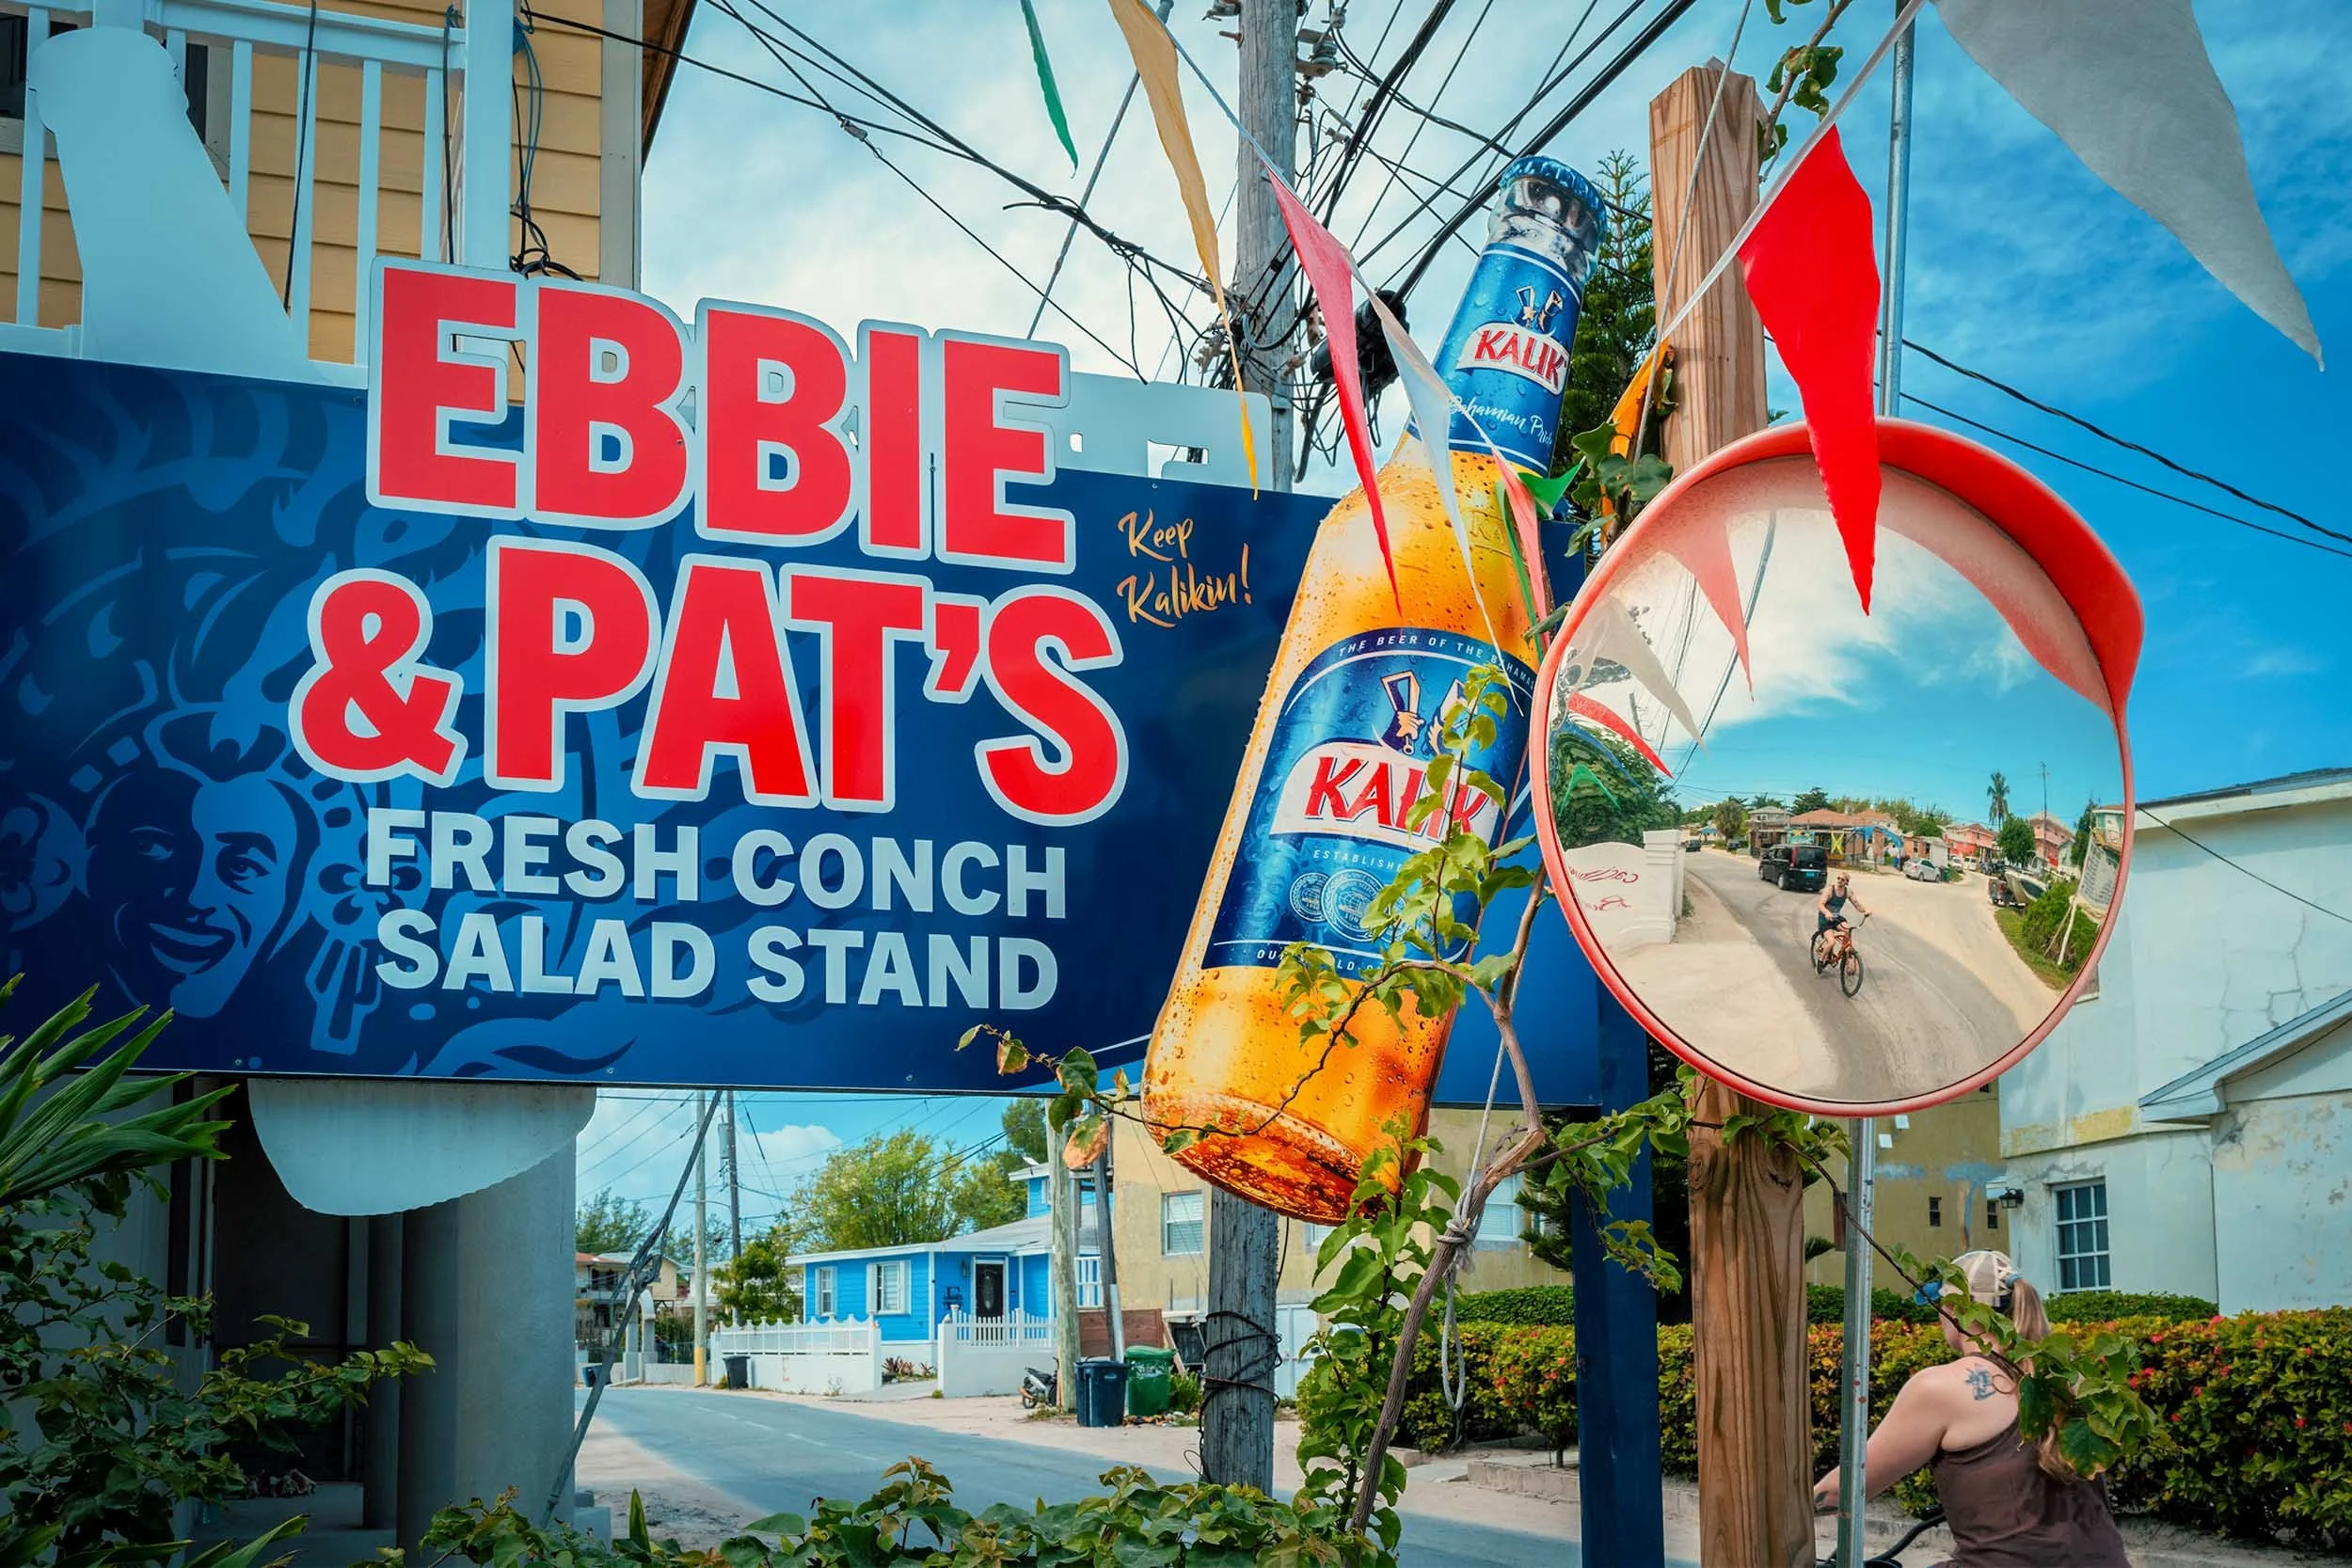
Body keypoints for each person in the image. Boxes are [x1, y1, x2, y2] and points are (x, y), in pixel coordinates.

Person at [1811, 1251, 2130, 1567]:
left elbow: (1847, 1489)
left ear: (1954, 1308)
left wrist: (1793, 1508)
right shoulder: (2070, 1378)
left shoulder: (1941, 1388)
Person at [1816, 873, 1867, 952]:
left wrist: (1866, 911)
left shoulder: (1847, 891)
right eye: (1838, 878)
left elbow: (1857, 904)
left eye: (1842, 880)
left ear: (1847, 882)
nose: (1839, 880)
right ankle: (1821, 959)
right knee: (1831, 943)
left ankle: (1843, 952)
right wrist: (1827, 913)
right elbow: (1820, 904)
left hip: (1836, 918)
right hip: (1825, 919)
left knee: (1848, 930)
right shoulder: (1830, 890)